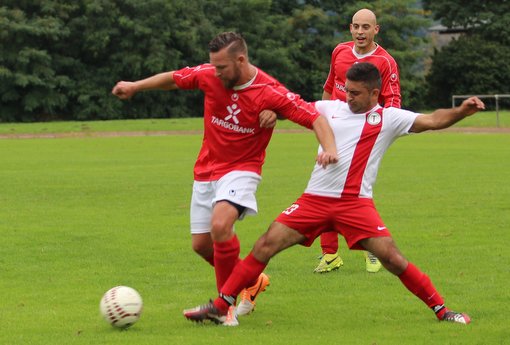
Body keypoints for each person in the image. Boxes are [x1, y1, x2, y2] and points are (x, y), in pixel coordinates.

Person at [183, 62, 483, 326]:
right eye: (346, 90)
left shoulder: (390, 119)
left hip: (355, 205)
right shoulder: (329, 108)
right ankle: (221, 307)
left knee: (392, 258)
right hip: (313, 201)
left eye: (355, 93)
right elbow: (289, 107)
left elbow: (433, 120)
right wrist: (270, 113)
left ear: (375, 94)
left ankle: (443, 311)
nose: (347, 97)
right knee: (264, 245)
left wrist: (461, 111)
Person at [112, 32, 338, 317]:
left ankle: (223, 310)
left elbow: (314, 117)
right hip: (206, 168)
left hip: (243, 169)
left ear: (241, 60)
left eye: (222, 67)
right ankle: (250, 280)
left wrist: (328, 148)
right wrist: (135, 86)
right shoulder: (209, 75)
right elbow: (174, 78)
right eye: (213, 66)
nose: (215, 72)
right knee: (201, 245)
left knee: (221, 226)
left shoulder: (269, 91)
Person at [317, 8, 401, 274]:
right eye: (356, 27)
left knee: (357, 192)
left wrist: (384, 133)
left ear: (376, 30)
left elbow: (394, 102)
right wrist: (323, 120)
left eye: (366, 27)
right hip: (333, 130)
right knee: (323, 190)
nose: (360, 32)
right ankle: (330, 255)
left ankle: (372, 251)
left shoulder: (385, 61)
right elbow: (330, 87)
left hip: (364, 133)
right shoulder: (339, 52)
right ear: (350, 28)